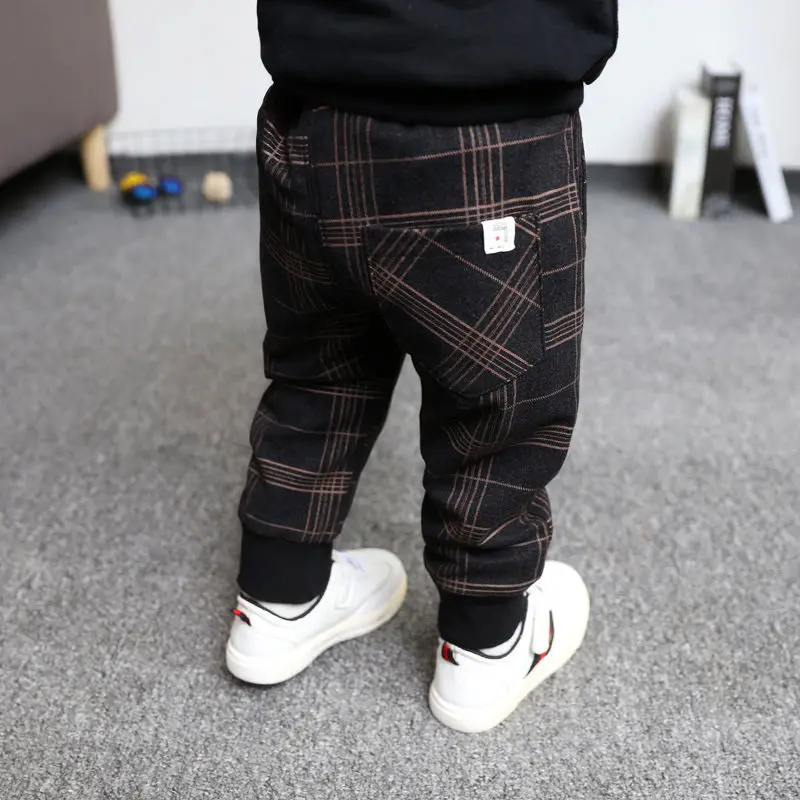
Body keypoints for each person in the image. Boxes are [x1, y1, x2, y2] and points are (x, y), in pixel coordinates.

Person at [225, 0, 618, 733]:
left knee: (317, 369)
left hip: (312, 123)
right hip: (492, 137)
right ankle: (487, 641)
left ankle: (276, 599)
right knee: (499, 404)